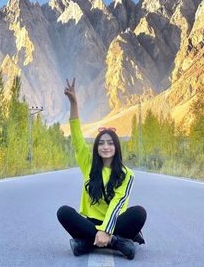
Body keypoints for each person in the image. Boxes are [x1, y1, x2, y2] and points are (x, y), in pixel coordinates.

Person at [57, 78, 147, 260]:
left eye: (110, 143)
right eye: (102, 143)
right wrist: (74, 103)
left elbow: (117, 205)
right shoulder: (88, 164)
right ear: (97, 147)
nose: (106, 147)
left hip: (115, 223)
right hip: (89, 222)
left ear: (116, 147)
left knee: (139, 213)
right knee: (63, 212)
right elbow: (76, 137)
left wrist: (106, 230)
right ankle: (117, 243)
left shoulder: (126, 175)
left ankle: (86, 243)